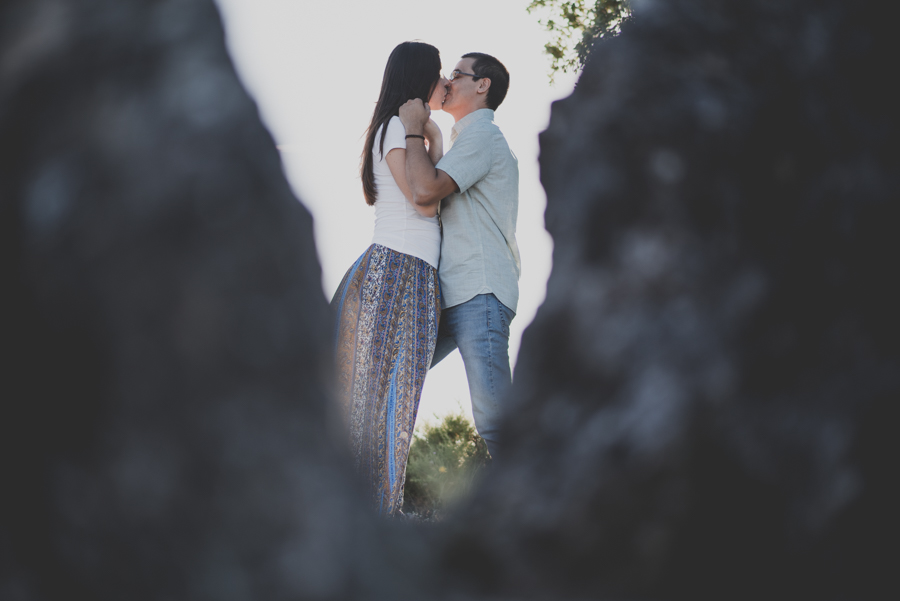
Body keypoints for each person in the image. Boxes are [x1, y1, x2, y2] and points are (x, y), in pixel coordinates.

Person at [331, 42, 448, 516]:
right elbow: (425, 199)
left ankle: (371, 515)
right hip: (398, 268)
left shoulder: (409, 129)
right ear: (420, 78)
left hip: (413, 272)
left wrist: (433, 138)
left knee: (392, 402)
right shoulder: (400, 128)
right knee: (378, 403)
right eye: (439, 74)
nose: (443, 83)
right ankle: (363, 515)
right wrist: (427, 137)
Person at [399, 52, 519, 461]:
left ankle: (541, 513)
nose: (447, 83)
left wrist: (415, 130)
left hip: (478, 290)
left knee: (495, 418)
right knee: (395, 378)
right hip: (454, 291)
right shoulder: (463, 140)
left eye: (456, 74)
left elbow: (426, 190)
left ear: (482, 85)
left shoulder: (482, 137)